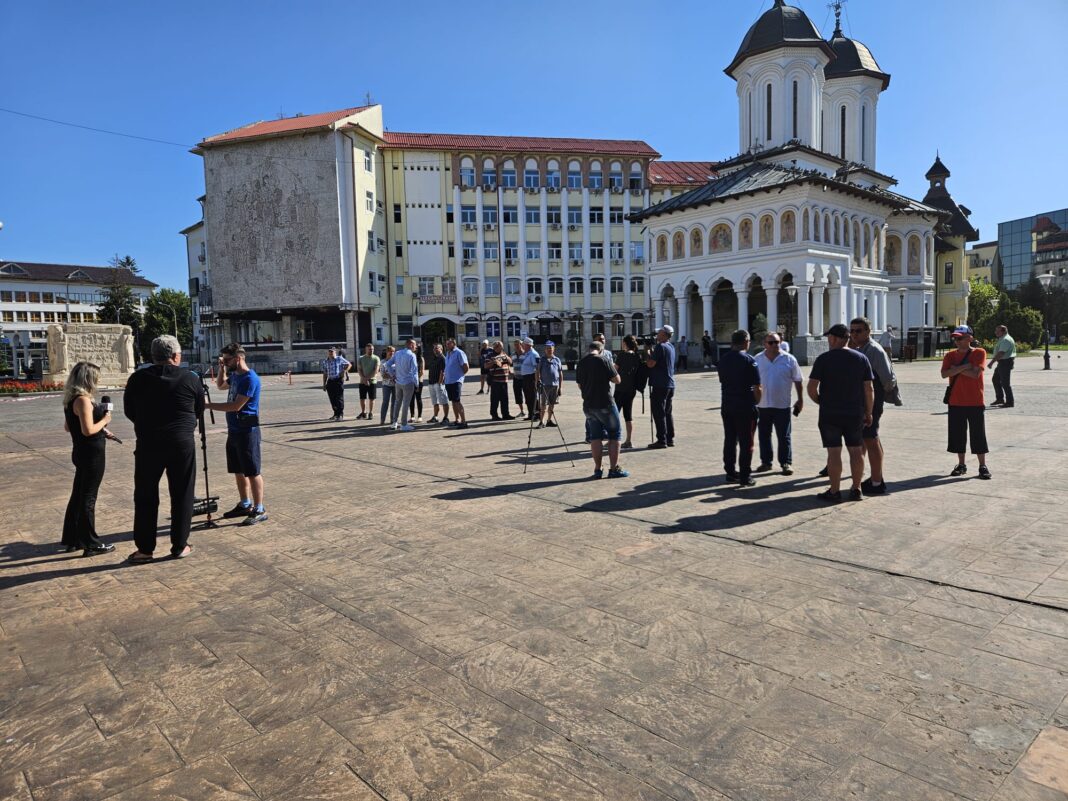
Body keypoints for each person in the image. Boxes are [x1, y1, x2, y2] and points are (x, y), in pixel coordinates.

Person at [123, 335, 203, 562]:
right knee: (182, 493)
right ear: (176, 356)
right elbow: (198, 408)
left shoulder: (137, 379)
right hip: (181, 442)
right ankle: (179, 545)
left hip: (149, 442)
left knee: (145, 495)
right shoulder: (190, 378)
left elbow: (130, 410)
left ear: (153, 357)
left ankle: (145, 549)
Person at [807, 324, 874, 503]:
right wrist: (868, 411)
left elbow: (812, 387)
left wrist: (821, 401)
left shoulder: (823, 359)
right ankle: (856, 489)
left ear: (834, 338)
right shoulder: (861, 359)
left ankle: (835, 491)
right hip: (854, 413)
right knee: (856, 451)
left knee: (834, 453)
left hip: (830, 414)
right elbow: (869, 389)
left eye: (829, 337)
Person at [61, 361, 117, 556]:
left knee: (78, 494)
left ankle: (73, 538)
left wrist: (101, 429)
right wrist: (104, 420)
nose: (98, 382)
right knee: (88, 498)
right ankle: (90, 543)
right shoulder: (83, 400)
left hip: (80, 451)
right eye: (96, 378)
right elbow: (87, 430)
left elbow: (69, 427)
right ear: (88, 379)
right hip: (91, 453)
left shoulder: (70, 399)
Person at [208, 342, 267, 525]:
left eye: (227, 359)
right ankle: (245, 503)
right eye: (223, 360)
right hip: (234, 430)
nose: (224, 362)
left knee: (252, 471)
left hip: (247, 431)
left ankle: (259, 508)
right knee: (238, 470)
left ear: (238, 358)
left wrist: (207, 405)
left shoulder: (250, 379)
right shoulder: (235, 376)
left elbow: (235, 406)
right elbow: (220, 386)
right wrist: (221, 368)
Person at [849, 317, 896, 495]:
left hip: (872, 400)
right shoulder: (861, 348)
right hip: (864, 400)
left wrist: (876, 402)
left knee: (871, 439)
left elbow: (887, 378)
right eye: (851, 331)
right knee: (869, 439)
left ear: (868, 332)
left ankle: (877, 483)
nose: (854, 334)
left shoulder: (874, 350)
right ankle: (875, 478)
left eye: (858, 331)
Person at [942, 325, 991, 479]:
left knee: (978, 434)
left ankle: (982, 465)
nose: (957, 341)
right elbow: (944, 374)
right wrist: (965, 366)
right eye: (955, 338)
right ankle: (961, 464)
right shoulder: (949, 356)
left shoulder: (979, 352)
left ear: (969, 338)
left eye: (960, 338)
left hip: (975, 401)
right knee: (957, 435)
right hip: (955, 401)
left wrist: (956, 369)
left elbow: (975, 375)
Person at [576, 342, 629, 479]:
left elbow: (580, 385)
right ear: (601, 350)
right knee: (615, 435)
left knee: (595, 437)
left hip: (588, 405)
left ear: (590, 349)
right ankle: (613, 469)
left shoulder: (581, 362)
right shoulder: (604, 359)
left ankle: (597, 469)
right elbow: (617, 380)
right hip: (605, 403)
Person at [718, 330, 763, 487]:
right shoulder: (749, 360)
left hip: (727, 405)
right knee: (746, 442)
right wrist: (757, 402)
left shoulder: (723, 359)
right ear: (746, 342)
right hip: (745, 406)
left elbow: (722, 380)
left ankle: (730, 473)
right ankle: (745, 475)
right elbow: (757, 386)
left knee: (730, 440)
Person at [755, 332, 803, 476]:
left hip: (782, 405)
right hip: (762, 405)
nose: (774, 345)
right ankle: (766, 462)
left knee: (784, 436)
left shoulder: (789, 359)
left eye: (777, 342)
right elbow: (752, 382)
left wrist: (800, 399)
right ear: (765, 344)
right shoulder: (757, 359)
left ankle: (786, 463)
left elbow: (798, 380)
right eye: (771, 342)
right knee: (764, 435)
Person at [646, 324, 676, 449]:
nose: (657, 335)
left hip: (660, 384)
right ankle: (670, 439)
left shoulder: (660, 347)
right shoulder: (670, 346)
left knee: (659, 412)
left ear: (664, 334)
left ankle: (661, 440)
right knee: (667, 412)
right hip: (669, 384)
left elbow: (651, 364)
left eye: (659, 333)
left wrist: (648, 353)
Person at [612, 335, 642, 449]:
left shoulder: (622, 355)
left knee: (614, 415)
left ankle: (613, 440)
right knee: (628, 415)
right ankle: (628, 440)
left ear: (625, 343)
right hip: (631, 389)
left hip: (620, 388)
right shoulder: (637, 356)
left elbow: (614, 369)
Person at [443, 338, 469, 428]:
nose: (447, 345)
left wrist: (460, 376)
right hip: (448, 381)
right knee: (453, 402)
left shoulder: (459, 353)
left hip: (456, 381)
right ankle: (457, 420)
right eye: (446, 344)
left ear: (454, 344)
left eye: (448, 344)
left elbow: (466, 366)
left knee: (457, 401)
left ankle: (464, 422)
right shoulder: (448, 353)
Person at [988, 324, 1016, 408]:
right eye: (996, 330)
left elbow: (1001, 353)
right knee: (995, 380)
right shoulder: (1003, 338)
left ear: (1003, 331)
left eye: (997, 331)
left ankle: (1010, 402)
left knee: (1005, 383)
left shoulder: (1006, 340)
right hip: (1003, 362)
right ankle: (1000, 399)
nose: (995, 332)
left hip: (1005, 362)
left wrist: (991, 362)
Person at [537, 341, 563, 427]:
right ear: (545, 350)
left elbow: (560, 374)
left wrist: (560, 387)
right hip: (544, 386)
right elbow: (537, 372)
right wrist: (537, 382)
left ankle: (549, 420)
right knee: (543, 405)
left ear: (553, 349)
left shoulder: (557, 359)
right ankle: (541, 422)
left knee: (552, 404)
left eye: (551, 348)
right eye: (547, 349)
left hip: (555, 386)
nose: (549, 350)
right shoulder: (541, 360)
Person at [486, 341, 514, 420]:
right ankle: (494, 415)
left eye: (501, 346)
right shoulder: (490, 355)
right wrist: (493, 362)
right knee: (495, 399)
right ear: (495, 348)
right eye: (498, 347)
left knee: (505, 399)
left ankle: (506, 414)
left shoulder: (504, 354)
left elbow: (510, 362)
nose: (501, 348)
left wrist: (507, 358)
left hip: (504, 381)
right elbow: (485, 366)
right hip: (495, 381)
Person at [321, 346, 351, 421]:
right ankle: (335, 413)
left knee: (339, 398)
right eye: (330, 351)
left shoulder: (339, 358)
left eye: (332, 351)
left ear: (335, 352)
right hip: (330, 381)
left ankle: (340, 414)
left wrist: (344, 371)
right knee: (332, 399)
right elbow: (325, 373)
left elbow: (349, 364)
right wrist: (324, 384)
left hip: (338, 380)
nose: (331, 353)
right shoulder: (325, 361)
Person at [516, 337, 541, 420]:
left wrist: (537, 380)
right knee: (528, 397)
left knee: (533, 397)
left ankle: (537, 415)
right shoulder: (527, 353)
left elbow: (537, 368)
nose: (522, 346)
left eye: (523, 344)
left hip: (531, 378)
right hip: (525, 378)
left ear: (528, 345)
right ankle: (531, 414)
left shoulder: (534, 354)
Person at [426, 342, 449, 424]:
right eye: (434, 348)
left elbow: (443, 371)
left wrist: (440, 382)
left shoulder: (443, 358)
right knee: (435, 402)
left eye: (437, 348)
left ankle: (446, 418)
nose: (435, 350)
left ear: (441, 349)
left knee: (444, 401)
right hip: (431, 383)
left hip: (438, 383)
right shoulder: (433, 358)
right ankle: (435, 417)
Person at [356, 343, 380, 420]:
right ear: (366, 350)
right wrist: (364, 379)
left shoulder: (376, 358)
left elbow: (376, 371)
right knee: (362, 398)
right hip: (362, 381)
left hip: (372, 381)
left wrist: (368, 379)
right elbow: (359, 370)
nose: (371, 350)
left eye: (372, 349)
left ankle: (371, 412)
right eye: (369, 349)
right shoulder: (361, 358)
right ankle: (363, 412)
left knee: (371, 398)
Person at [377, 345, 396, 425]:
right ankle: (382, 419)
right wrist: (393, 375)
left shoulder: (396, 362)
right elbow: (383, 375)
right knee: (385, 402)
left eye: (393, 351)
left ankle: (393, 419)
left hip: (396, 385)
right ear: (386, 352)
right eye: (390, 351)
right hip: (386, 385)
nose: (391, 353)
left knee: (394, 403)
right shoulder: (383, 362)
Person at [408, 342, 425, 423]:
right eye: (415, 348)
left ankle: (420, 416)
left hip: (418, 381)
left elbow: (422, 371)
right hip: (410, 381)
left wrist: (416, 381)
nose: (415, 350)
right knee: (411, 399)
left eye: (417, 349)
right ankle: (412, 416)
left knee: (418, 398)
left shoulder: (421, 359)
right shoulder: (410, 357)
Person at [511, 338, 526, 418]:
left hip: (525, 378)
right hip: (516, 378)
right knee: (518, 395)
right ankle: (522, 411)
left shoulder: (526, 354)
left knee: (527, 395)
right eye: (515, 345)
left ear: (521, 345)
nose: (516, 346)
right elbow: (511, 363)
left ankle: (531, 411)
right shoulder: (513, 354)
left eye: (518, 344)